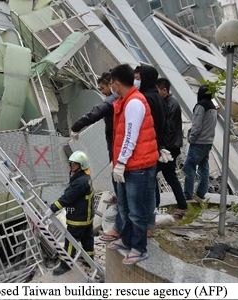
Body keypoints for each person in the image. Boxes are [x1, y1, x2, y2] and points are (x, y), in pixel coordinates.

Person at [107, 64, 158, 265]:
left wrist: (121, 162)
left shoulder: (134, 103)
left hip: (137, 166)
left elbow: (131, 136)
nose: (112, 87)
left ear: (116, 83)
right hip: (129, 164)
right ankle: (127, 241)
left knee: (137, 211)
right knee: (125, 207)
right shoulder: (125, 101)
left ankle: (139, 248)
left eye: (112, 83)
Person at [70, 72, 123, 242]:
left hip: (117, 144)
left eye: (103, 88)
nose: (103, 92)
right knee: (118, 178)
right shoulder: (120, 97)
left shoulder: (113, 98)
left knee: (121, 181)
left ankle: (120, 223)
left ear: (111, 84)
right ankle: (119, 198)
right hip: (115, 143)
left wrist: (76, 126)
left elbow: (96, 111)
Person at [45, 150, 95, 275]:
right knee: (87, 238)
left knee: (70, 241)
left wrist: (52, 209)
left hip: (78, 219)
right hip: (87, 217)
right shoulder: (85, 178)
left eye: (75, 164)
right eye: (71, 163)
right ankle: (89, 259)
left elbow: (67, 198)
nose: (72, 166)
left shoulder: (79, 182)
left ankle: (65, 264)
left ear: (81, 165)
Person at [137, 65, 170, 236]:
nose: (136, 80)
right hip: (155, 148)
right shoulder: (158, 97)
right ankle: (150, 223)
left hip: (146, 148)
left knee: (145, 189)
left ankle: (145, 225)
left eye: (139, 77)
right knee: (150, 187)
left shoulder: (146, 99)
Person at [155, 78, 187, 218]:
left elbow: (169, 128)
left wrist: (163, 148)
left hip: (169, 149)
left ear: (164, 90)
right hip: (169, 148)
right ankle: (182, 205)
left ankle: (154, 206)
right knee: (170, 177)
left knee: (152, 174)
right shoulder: (166, 102)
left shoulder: (171, 104)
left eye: (158, 91)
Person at [183, 85, 217, 202]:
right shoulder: (213, 107)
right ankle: (201, 193)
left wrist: (191, 138)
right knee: (204, 168)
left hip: (198, 142)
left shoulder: (201, 106)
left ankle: (187, 194)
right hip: (208, 142)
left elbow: (196, 125)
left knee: (189, 167)